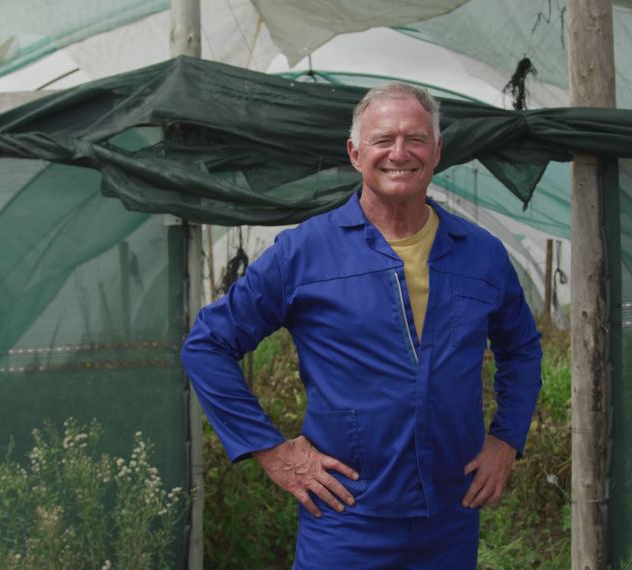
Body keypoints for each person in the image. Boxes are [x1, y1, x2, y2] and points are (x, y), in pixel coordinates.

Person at [181, 82, 542, 569]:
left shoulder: (481, 254)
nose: (399, 153)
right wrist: (273, 451)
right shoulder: (304, 252)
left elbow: (521, 348)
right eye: (382, 140)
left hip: (450, 518)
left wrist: (506, 441)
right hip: (346, 516)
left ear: (437, 151)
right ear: (355, 153)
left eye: (415, 139)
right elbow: (208, 345)